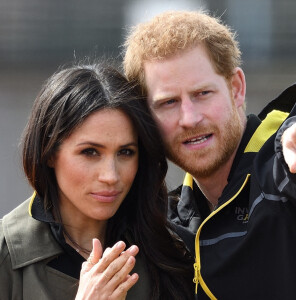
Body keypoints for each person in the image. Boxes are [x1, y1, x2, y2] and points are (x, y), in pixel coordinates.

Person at [123, 10, 296, 300]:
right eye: (168, 102)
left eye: (203, 93)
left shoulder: (284, 170)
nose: (189, 118)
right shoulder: (162, 228)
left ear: (236, 88)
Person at [0, 61, 194, 300]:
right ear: (49, 153)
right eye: (90, 152)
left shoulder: (167, 251)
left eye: (125, 152)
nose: (111, 176)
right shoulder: (6, 256)